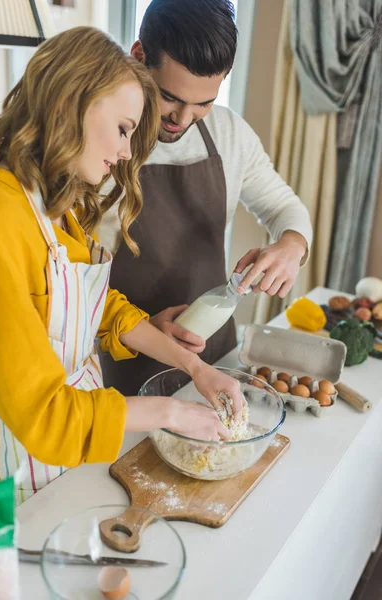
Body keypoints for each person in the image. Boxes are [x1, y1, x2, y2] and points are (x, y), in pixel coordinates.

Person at [0, 26, 244, 504]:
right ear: (69, 104)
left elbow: (98, 308)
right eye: (123, 129)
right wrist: (171, 413)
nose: (126, 152)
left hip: (66, 466)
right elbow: (44, 416)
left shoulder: (58, 207)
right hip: (8, 475)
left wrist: (196, 367)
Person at [98, 0, 314, 396]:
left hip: (212, 362)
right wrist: (141, 330)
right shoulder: (99, 141)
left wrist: (290, 245)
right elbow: (65, 281)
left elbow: (285, 208)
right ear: (139, 55)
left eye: (204, 102)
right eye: (170, 97)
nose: (182, 118)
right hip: (118, 366)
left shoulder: (229, 134)